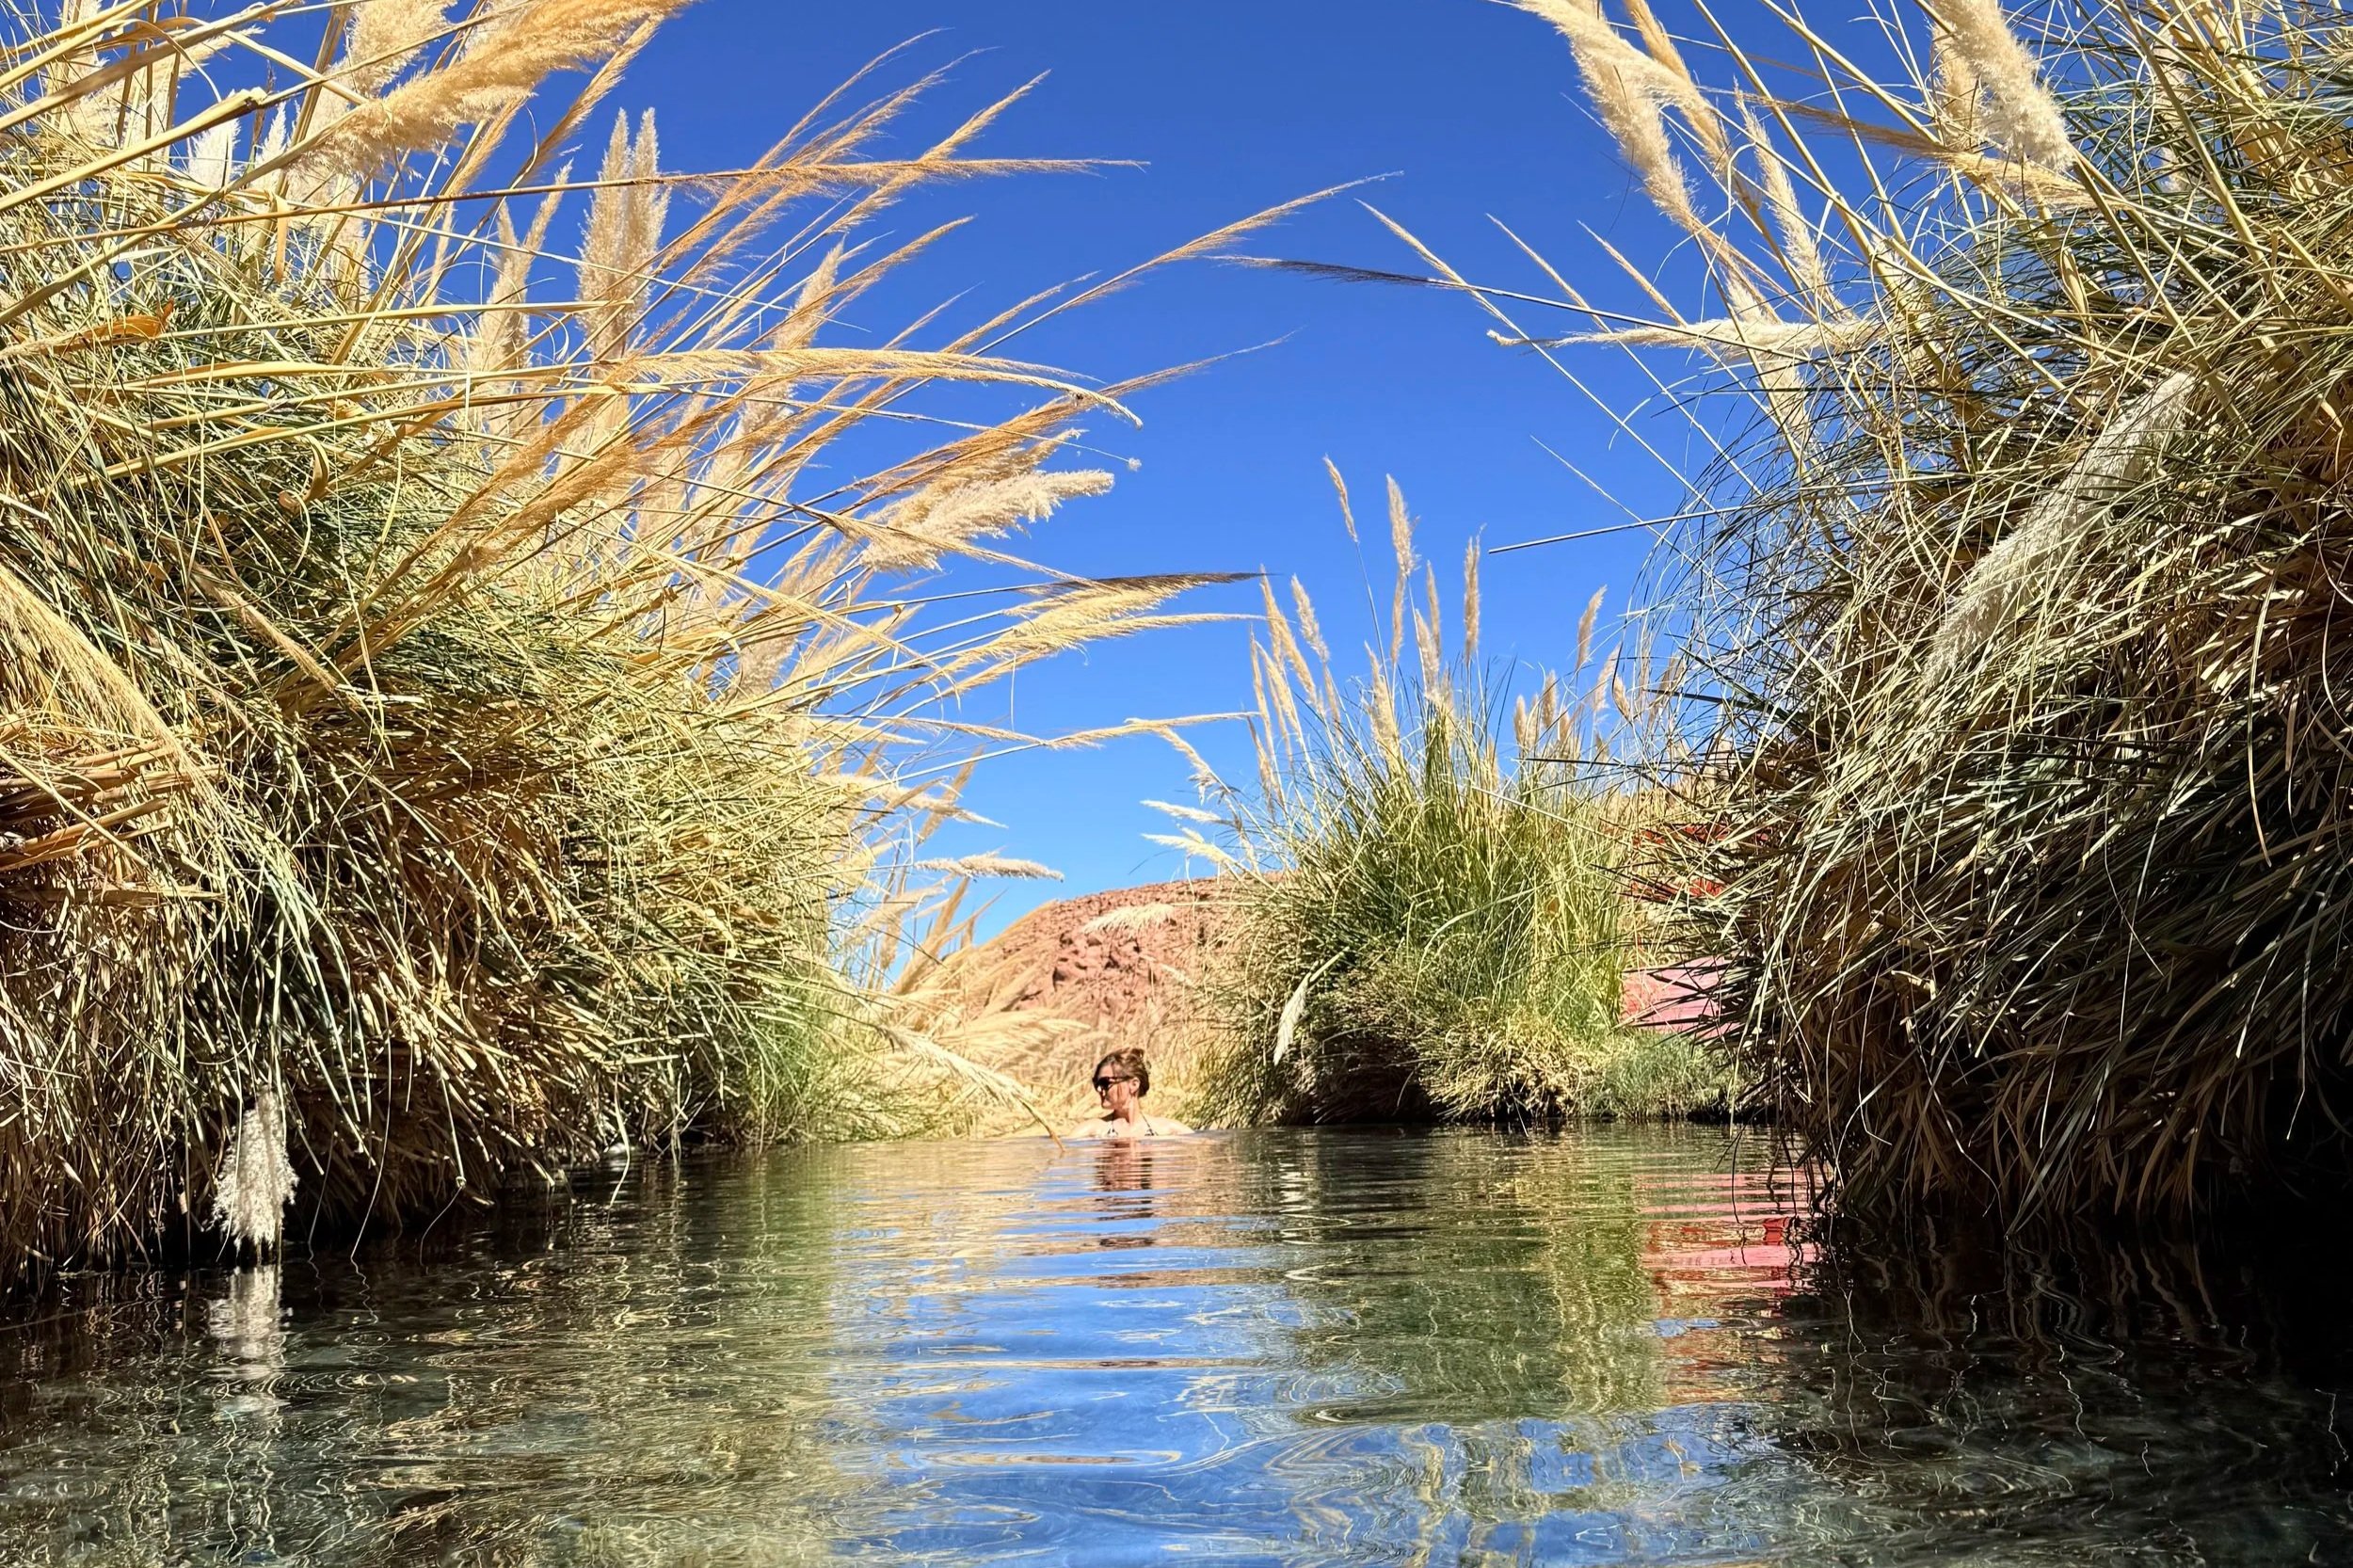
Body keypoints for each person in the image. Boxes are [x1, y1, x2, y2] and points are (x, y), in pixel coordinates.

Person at [1067, 1047, 1193, 1138]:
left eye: (1105, 1083)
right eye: (1097, 1083)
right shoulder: (1091, 1131)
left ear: (1133, 1085)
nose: (1099, 1089)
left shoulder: (1169, 1130)